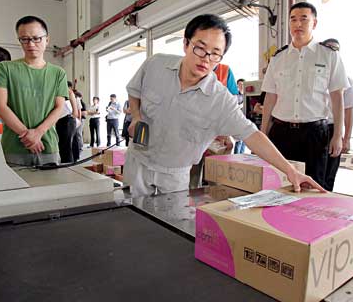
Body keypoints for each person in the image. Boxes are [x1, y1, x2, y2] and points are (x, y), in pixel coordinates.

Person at [124, 13, 323, 196]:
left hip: (175, 174)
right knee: (131, 217)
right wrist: (137, 117)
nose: (206, 59)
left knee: (167, 226)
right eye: (200, 48)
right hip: (138, 163)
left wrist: (290, 171)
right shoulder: (155, 65)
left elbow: (252, 135)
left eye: (215, 54)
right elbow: (134, 91)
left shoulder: (219, 99)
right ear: (186, 43)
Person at [260, 2, 349, 186]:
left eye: (303, 19)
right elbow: (270, 97)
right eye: (293, 19)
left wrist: (338, 135)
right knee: (278, 184)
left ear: (314, 23)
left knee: (314, 186)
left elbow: (337, 97)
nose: (298, 24)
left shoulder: (329, 55)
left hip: (314, 134)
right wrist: (263, 133)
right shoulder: (278, 58)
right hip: (281, 132)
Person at [0, 15, 68, 166]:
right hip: (14, 147)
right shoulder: (5, 68)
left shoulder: (58, 73)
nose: (31, 44)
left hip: (47, 146)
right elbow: (0, 106)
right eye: (24, 39)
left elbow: (59, 108)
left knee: (49, 188)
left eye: (36, 38)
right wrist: (27, 136)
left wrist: (38, 133)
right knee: (14, 189)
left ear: (47, 39)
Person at [321, 38, 353, 191]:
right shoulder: (312, 75)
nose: (331, 52)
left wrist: (346, 138)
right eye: (328, 48)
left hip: (332, 129)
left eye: (335, 49)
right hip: (313, 128)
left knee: (329, 173)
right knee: (313, 172)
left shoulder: (346, 80)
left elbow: (348, 110)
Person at [56, 82, 79, 163]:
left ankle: (67, 166)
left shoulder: (58, 86)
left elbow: (70, 92)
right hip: (61, 120)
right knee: (66, 146)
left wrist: (75, 110)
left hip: (66, 119)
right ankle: (71, 162)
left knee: (65, 147)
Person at [234, 78, 246, 154]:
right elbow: (234, 106)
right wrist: (242, 105)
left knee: (245, 141)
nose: (241, 86)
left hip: (246, 119)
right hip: (238, 120)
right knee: (239, 141)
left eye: (243, 84)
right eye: (240, 84)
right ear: (237, 85)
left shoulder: (246, 95)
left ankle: (242, 157)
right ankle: (236, 158)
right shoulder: (235, 95)